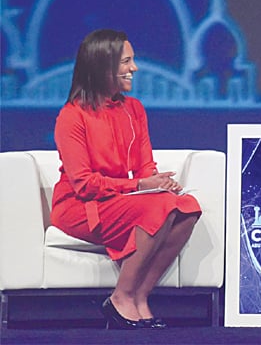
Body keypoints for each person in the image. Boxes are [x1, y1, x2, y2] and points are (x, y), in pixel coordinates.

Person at [51, 29, 202, 330]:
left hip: (119, 201)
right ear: (101, 66)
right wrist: (139, 187)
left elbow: (145, 166)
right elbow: (83, 184)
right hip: (80, 207)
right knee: (158, 207)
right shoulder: (72, 116)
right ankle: (121, 298)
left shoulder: (134, 109)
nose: (134, 68)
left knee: (186, 207)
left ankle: (139, 297)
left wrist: (158, 183)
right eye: (126, 62)